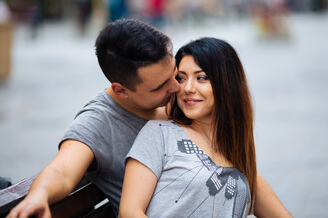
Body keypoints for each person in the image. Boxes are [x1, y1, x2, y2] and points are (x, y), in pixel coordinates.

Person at [7, 19, 291, 218]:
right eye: (162, 86)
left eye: (174, 74)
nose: (179, 88)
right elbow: (61, 171)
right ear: (122, 90)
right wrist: (38, 196)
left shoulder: (183, 103)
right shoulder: (99, 123)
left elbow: (234, 167)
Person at [119, 37, 286, 218]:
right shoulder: (159, 134)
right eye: (181, 78)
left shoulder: (238, 159)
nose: (188, 88)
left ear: (228, 84)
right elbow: (129, 212)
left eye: (202, 78)